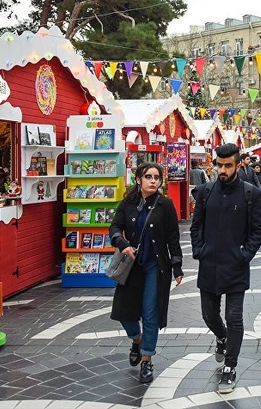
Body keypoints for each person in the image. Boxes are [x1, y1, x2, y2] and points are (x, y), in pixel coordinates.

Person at [190, 143, 261, 394]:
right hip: (209, 265)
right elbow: (195, 226)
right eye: (219, 165)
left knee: (234, 317)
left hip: (235, 266)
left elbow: (258, 231)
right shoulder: (204, 192)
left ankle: (230, 367)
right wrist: (199, 250)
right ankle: (221, 338)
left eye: (228, 165)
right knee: (209, 315)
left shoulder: (250, 193)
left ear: (237, 164)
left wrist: (244, 255)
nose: (222, 170)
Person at [109, 162, 183, 384]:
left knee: (150, 313)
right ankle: (137, 340)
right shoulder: (128, 203)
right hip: (132, 266)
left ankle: (147, 359)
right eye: (148, 176)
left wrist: (177, 266)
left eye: (156, 177)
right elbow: (113, 227)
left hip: (156, 266)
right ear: (138, 179)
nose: (153, 181)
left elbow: (173, 237)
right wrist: (122, 243)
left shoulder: (165, 205)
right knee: (124, 313)